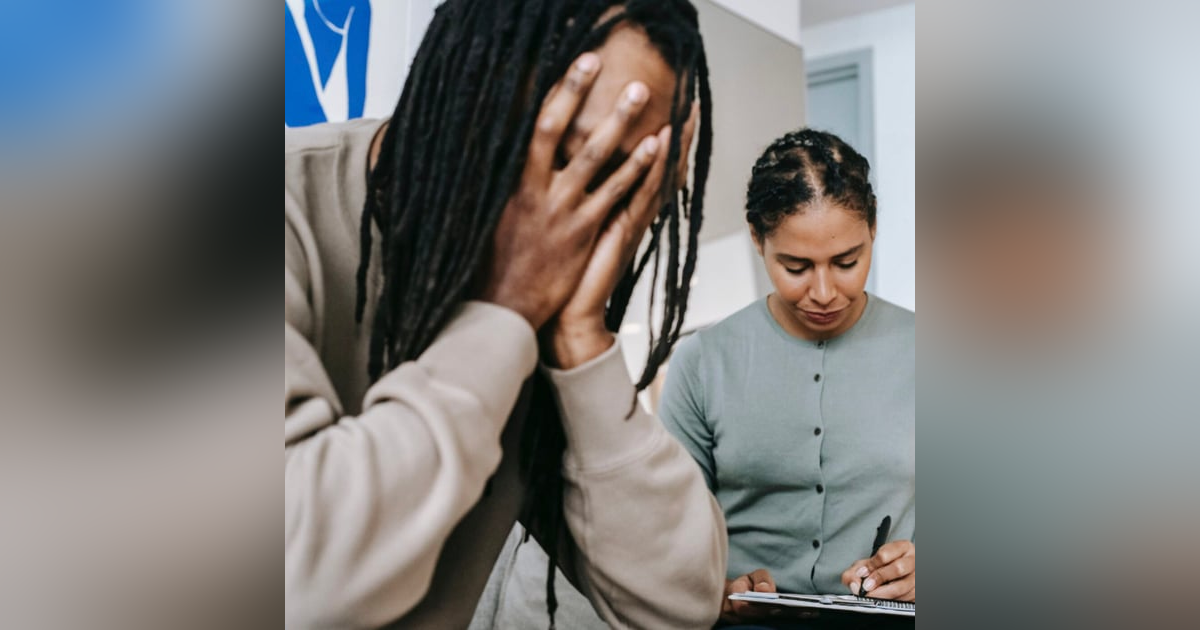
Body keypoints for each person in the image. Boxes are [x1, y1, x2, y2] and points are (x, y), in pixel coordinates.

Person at [284, 1, 727, 628]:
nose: (590, 213)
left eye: (631, 183)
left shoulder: (548, 320)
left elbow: (679, 603)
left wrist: (581, 343)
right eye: (576, 154)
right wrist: (504, 309)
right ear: (469, 86)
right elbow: (293, 575)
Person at [657, 129, 915, 628]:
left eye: (847, 262)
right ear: (757, 238)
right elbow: (666, 535)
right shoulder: (703, 363)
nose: (824, 292)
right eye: (796, 266)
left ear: (875, 228)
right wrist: (717, 590)